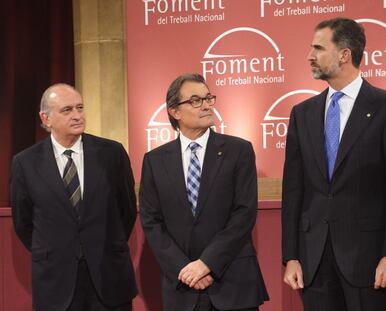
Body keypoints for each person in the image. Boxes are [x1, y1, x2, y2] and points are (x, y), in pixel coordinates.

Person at [282, 17, 386, 311]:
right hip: (314, 261)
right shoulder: (302, 113)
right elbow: (293, 191)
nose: (309, 56)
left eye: (318, 48)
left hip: (369, 261)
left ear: (344, 54)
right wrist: (291, 255)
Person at [139, 73, 269, 311]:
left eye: (208, 98)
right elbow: (151, 222)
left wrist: (207, 263)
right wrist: (186, 269)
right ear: (174, 111)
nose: (207, 105)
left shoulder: (238, 150)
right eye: (196, 100)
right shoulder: (154, 160)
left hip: (232, 281)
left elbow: (244, 214)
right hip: (183, 285)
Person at [10, 83, 138, 311]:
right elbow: (24, 223)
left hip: (109, 277)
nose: (78, 115)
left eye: (80, 108)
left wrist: (105, 244)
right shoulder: (25, 163)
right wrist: (57, 249)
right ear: (46, 118)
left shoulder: (112, 153)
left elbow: (126, 211)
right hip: (56, 283)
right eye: (67, 110)